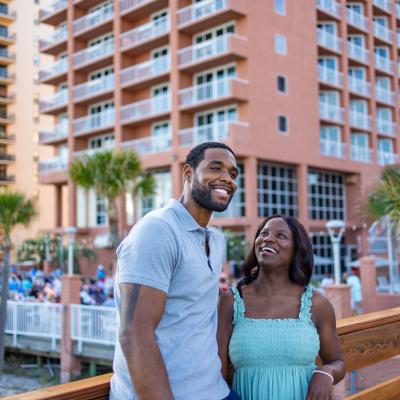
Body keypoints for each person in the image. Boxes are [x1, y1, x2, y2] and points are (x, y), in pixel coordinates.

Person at [110, 142, 241, 400]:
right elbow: (134, 333)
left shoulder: (215, 240)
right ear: (189, 173)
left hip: (214, 390)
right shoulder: (157, 231)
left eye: (233, 174)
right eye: (216, 168)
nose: (227, 179)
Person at [217, 215, 345, 400]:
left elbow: (337, 361)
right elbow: (217, 375)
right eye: (263, 233)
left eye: (281, 235)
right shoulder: (230, 301)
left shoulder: (317, 303)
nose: (268, 239)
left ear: (297, 250)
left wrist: (326, 373)